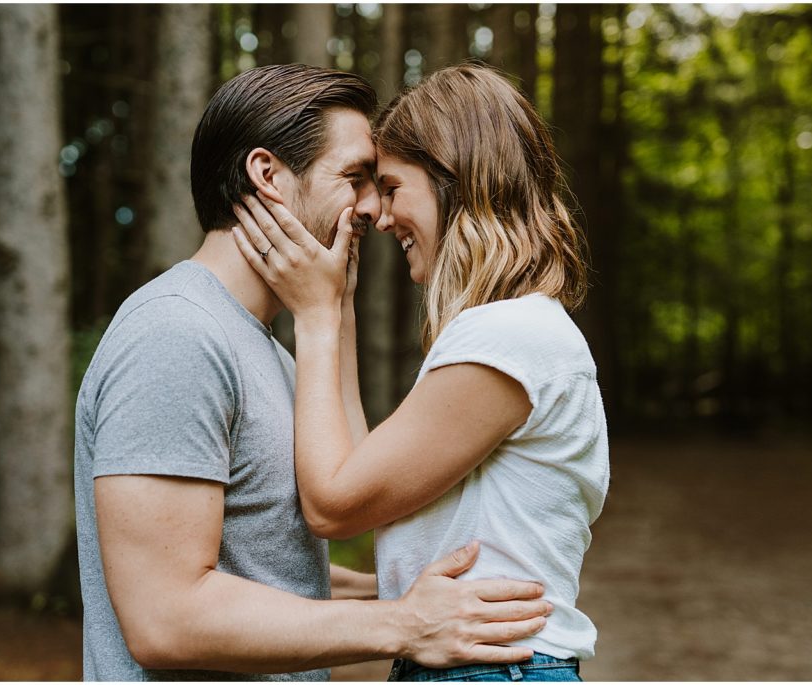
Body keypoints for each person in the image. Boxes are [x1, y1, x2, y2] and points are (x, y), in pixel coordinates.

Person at [74, 63, 553, 682]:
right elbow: (166, 616)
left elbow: (264, 566)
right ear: (267, 174)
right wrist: (403, 624)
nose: (372, 208)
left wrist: (413, 598)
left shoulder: (269, 351)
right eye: (354, 179)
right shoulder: (175, 335)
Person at [232, 63, 609, 682]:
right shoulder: (513, 333)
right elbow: (356, 475)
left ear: (453, 180)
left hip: (486, 667)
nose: (377, 215)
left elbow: (333, 506)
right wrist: (339, 309)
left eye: (392, 186)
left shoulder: (510, 335)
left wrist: (316, 318)